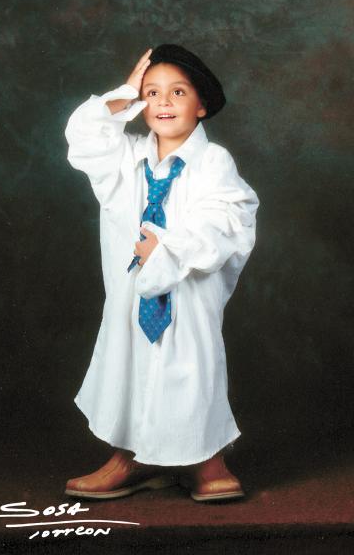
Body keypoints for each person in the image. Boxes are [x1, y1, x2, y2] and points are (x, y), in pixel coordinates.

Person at [64, 45, 259, 502]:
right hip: (132, 292)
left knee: (191, 365)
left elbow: (228, 216)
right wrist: (128, 91)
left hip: (187, 291)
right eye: (153, 93)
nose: (164, 102)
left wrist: (169, 250)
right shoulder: (123, 159)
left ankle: (208, 458)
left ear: (202, 104)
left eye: (177, 92)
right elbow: (85, 134)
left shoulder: (214, 163)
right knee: (129, 361)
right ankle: (130, 455)